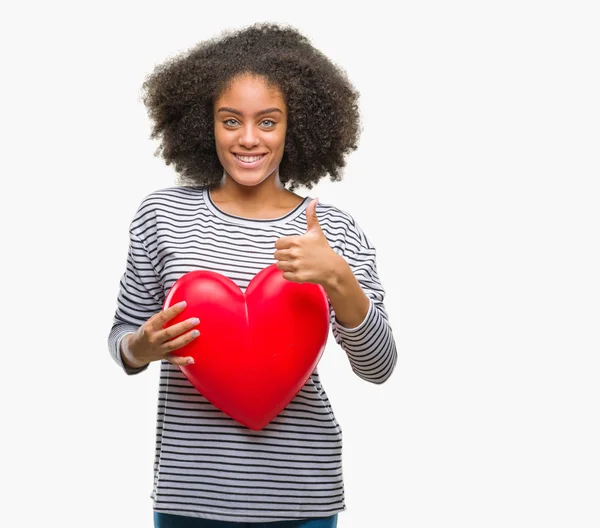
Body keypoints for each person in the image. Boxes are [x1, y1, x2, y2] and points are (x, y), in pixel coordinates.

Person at [108, 22, 397, 528]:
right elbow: (122, 339)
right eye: (229, 121)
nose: (248, 139)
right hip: (190, 496)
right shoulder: (162, 216)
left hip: (301, 499)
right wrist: (141, 347)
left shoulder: (332, 228)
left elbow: (380, 367)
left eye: (268, 121)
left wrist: (339, 279)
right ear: (205, 125)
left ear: (296, 127)